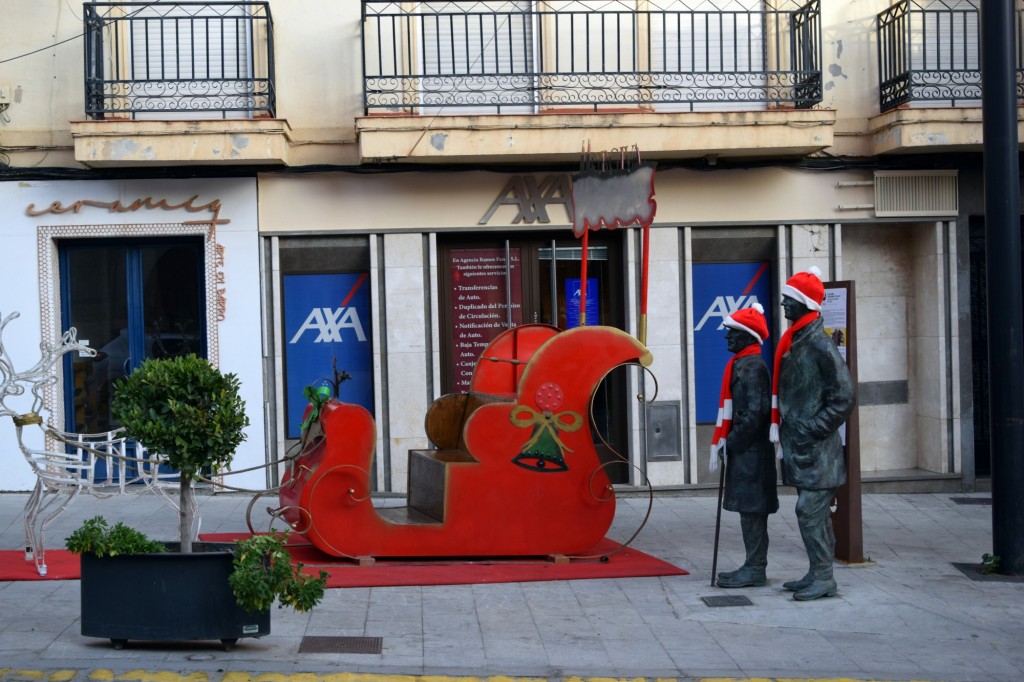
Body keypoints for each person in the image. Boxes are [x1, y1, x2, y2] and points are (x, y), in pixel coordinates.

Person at [770, 267, 855, 601]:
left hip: (818, 448)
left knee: (809, 510)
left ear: (804, 303)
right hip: (804, 448)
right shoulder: (797, 338)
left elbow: (844, 396)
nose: (782, 304)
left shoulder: (819, 343)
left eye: (789, 299)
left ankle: (824, 576)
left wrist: (813, 428)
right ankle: (817, 572)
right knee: (814, 513)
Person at [711, 303, 778, 588]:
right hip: (746, 454)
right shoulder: (743, 364)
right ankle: (753, 565)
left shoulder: (752, 368)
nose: (727, 337)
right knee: (748, 512)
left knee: (752, 511)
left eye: (732, 333)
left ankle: (755, 567)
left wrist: (731, 441)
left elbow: (755, 414)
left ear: (748, 336)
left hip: (752, 455)